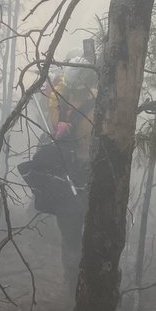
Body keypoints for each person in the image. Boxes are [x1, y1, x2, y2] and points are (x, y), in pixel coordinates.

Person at [44, 53, 97, 290]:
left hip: (66, 174)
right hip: (92, 173)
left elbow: (53, 93)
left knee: (70, 235)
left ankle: (71, 283)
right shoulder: (100, 100)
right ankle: (88, 281)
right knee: (92, 231)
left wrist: (54, 82)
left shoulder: (57, 100)